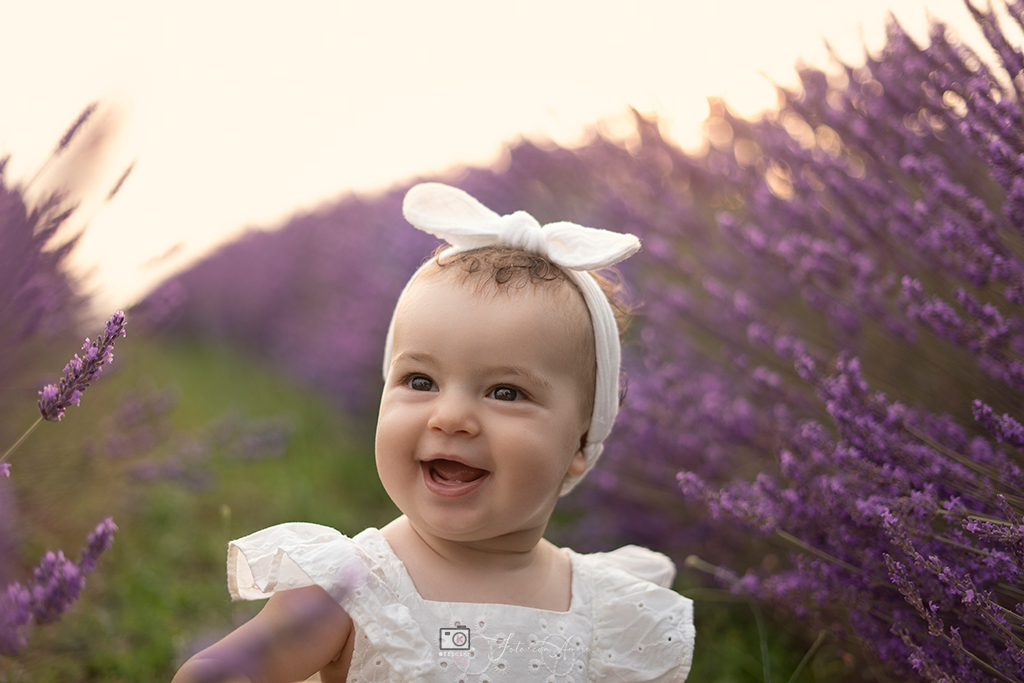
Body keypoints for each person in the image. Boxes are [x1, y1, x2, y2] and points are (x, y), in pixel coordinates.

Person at [172, 183, 694, 683]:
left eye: (505, 392)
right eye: (420, 381)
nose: (450, 417)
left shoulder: (604, 612)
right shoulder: (352, 586)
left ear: (580, 444)